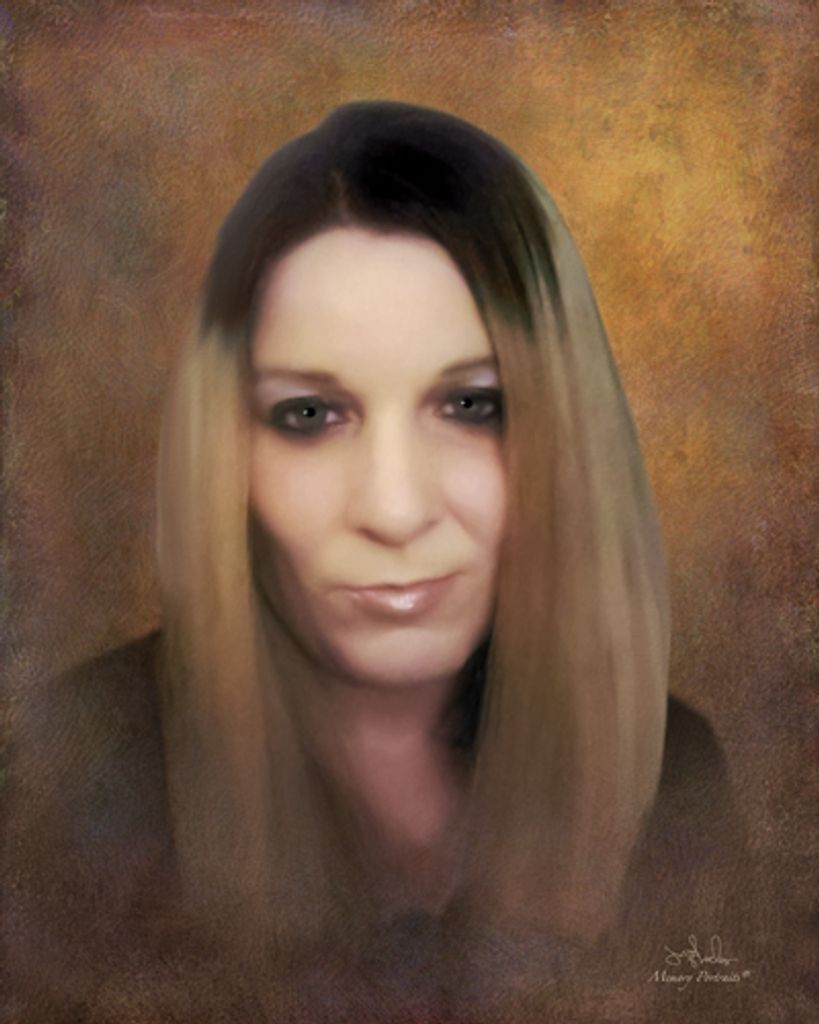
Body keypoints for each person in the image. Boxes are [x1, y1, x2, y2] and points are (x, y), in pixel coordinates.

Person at [1, 101, 754, 1023]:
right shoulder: (78, 772)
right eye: (309, 416)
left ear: (563, 424)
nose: (394, 510)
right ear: (225, 449)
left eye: (470, 406)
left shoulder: (671, 783)